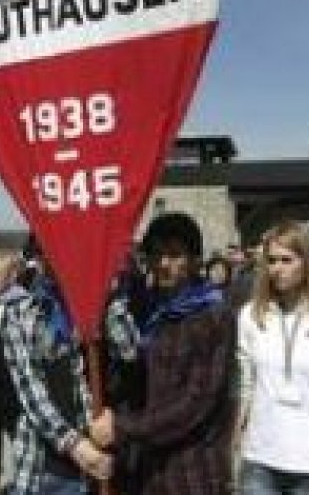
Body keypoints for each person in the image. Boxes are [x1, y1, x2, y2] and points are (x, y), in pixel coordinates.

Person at [89, 212, 235, 494]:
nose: (163, 264)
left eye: (174, 255)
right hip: (145, 469)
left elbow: (195, 403)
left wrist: (122, 427)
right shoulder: (145, 312)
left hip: (191, 470)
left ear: (194, 261)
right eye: (156, 255)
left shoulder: (212, 315)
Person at [232, 220, 309, 494]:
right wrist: (234, 450)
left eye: (287, 260)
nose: (277, 268)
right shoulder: (252, 316)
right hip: (259, 458)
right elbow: (244, 389)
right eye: (272, 260)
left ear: (308, 262)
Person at [0, 249, 114, 494]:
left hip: (82, 471)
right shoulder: (17, 314)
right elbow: (31, 395)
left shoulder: (83, 309)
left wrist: (113, 291)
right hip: (39, 470)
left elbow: (128, 350)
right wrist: (77, 445)